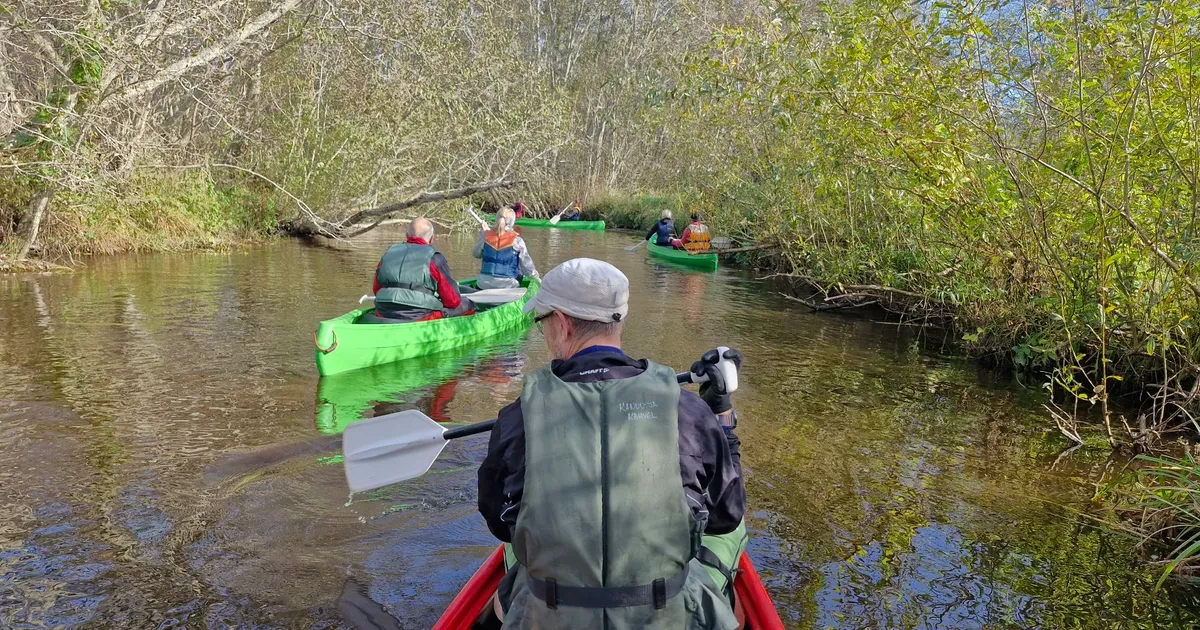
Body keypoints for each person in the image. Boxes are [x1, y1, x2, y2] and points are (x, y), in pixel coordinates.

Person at [477, 258, 746, 629]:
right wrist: (721, 416)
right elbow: (726, 515)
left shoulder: (516, 416)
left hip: (553, 616)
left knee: (515, 553)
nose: (543, 331)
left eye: (541, 322)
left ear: (562, 322)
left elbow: (498, 522)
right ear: (618, 319)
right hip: (663, 616)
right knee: (732, 540)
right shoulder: (688, 410)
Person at [360, 217, 474, 324]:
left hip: (383, 311)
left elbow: (376, 289)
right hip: (420, 316)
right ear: (432, 238)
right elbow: (452, 301)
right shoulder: (435, 258)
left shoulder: (389, 253)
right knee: (467, 304)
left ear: (406, 235)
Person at [473, 207, 540, 290]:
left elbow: (476, 254)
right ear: (512, 222)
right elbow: (528, 268)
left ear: (496, 219)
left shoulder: (485, 235)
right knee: (520, 271)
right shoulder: (517, 240)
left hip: (483, 285)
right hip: (508, 286)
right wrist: (536, 278)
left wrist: (485, 234)